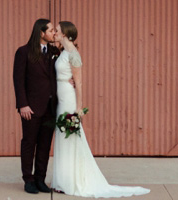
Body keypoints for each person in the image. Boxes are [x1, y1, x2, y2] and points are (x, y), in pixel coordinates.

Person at [51, 21, 149, 197]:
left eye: (57, 31)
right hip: (61, 98)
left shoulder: (73, 54)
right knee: (61, 137)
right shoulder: (63, 52)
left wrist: (79, 108)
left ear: (65, 33)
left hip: (69, 100)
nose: (55, 33)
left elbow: (79, 82)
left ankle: (72, 181)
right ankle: (62, 180)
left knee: (70, 137)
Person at [13, 18, 59, 194]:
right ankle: (28, 180)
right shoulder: (23, 52)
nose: (54, 33)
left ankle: (40, 178)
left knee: (45, 145)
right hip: (31, 108)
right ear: (41, 33)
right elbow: (18, 80)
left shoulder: (54, 51)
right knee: (29, 143)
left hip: (51, 107)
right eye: (51, 30)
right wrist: (22, 104)